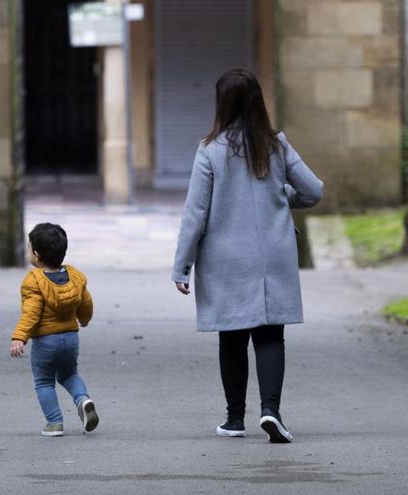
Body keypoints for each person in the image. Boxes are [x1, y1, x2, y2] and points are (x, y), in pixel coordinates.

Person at [172, 68, 323, 443]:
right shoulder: (277, 146)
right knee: (271, 336)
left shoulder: (209, 150)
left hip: (225, 260)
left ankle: (234, 420)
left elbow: (196, 213)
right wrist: (280, 198)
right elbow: (313, 191)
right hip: (272, 257)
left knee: (233, 339)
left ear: (222, 103)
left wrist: (182, 265)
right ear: (258, 101)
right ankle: (271, 412)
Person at [10, 222, 98, 437]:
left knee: (43, 381)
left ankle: (55, 423)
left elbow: (31, 313)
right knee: (69, 374)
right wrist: (84, 320)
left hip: (46, 342)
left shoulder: (34, 280)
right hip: (70, 338)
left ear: (37, 254)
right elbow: (86, 303)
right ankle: (83, 400)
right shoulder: (75, 276)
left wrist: (19, 337)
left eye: (30, 247)